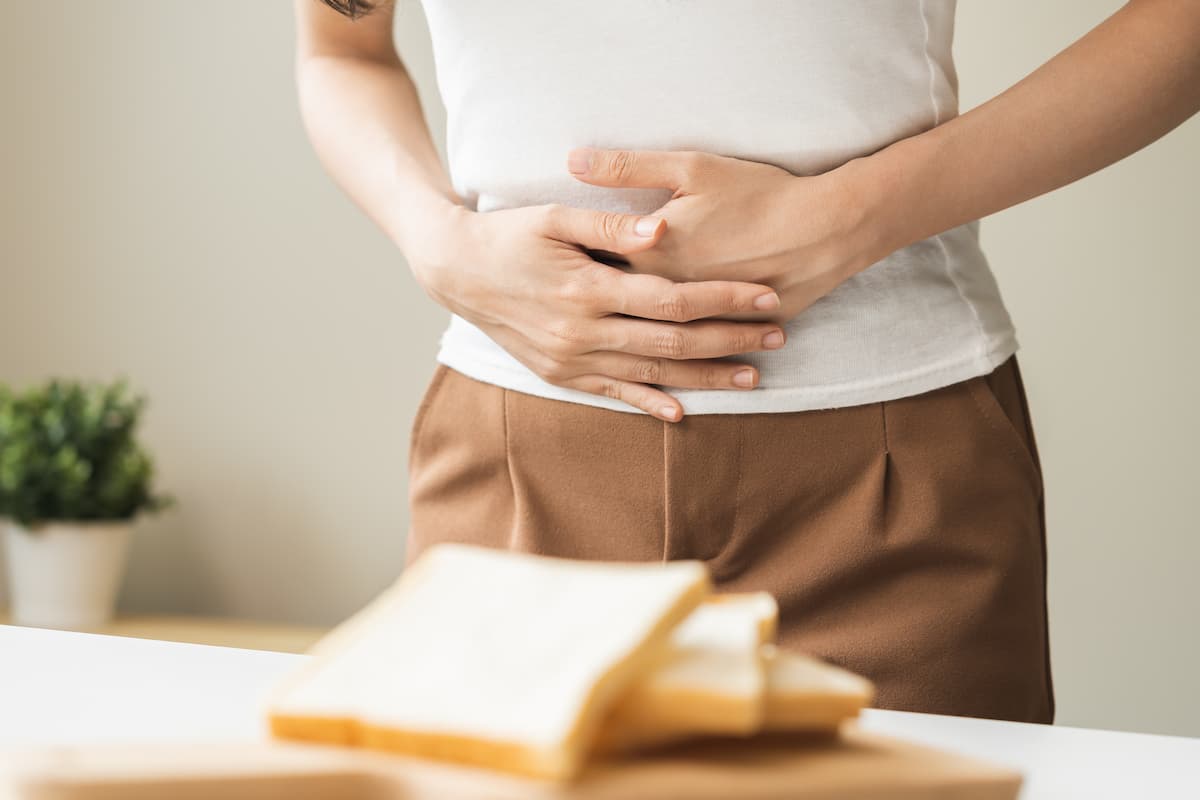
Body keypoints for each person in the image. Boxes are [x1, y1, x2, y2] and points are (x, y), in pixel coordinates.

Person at [291, 0, 1200, 724]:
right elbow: (343, 49)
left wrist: (853, 214)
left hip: (887, 481)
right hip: (521, 468)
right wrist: (435, 240)